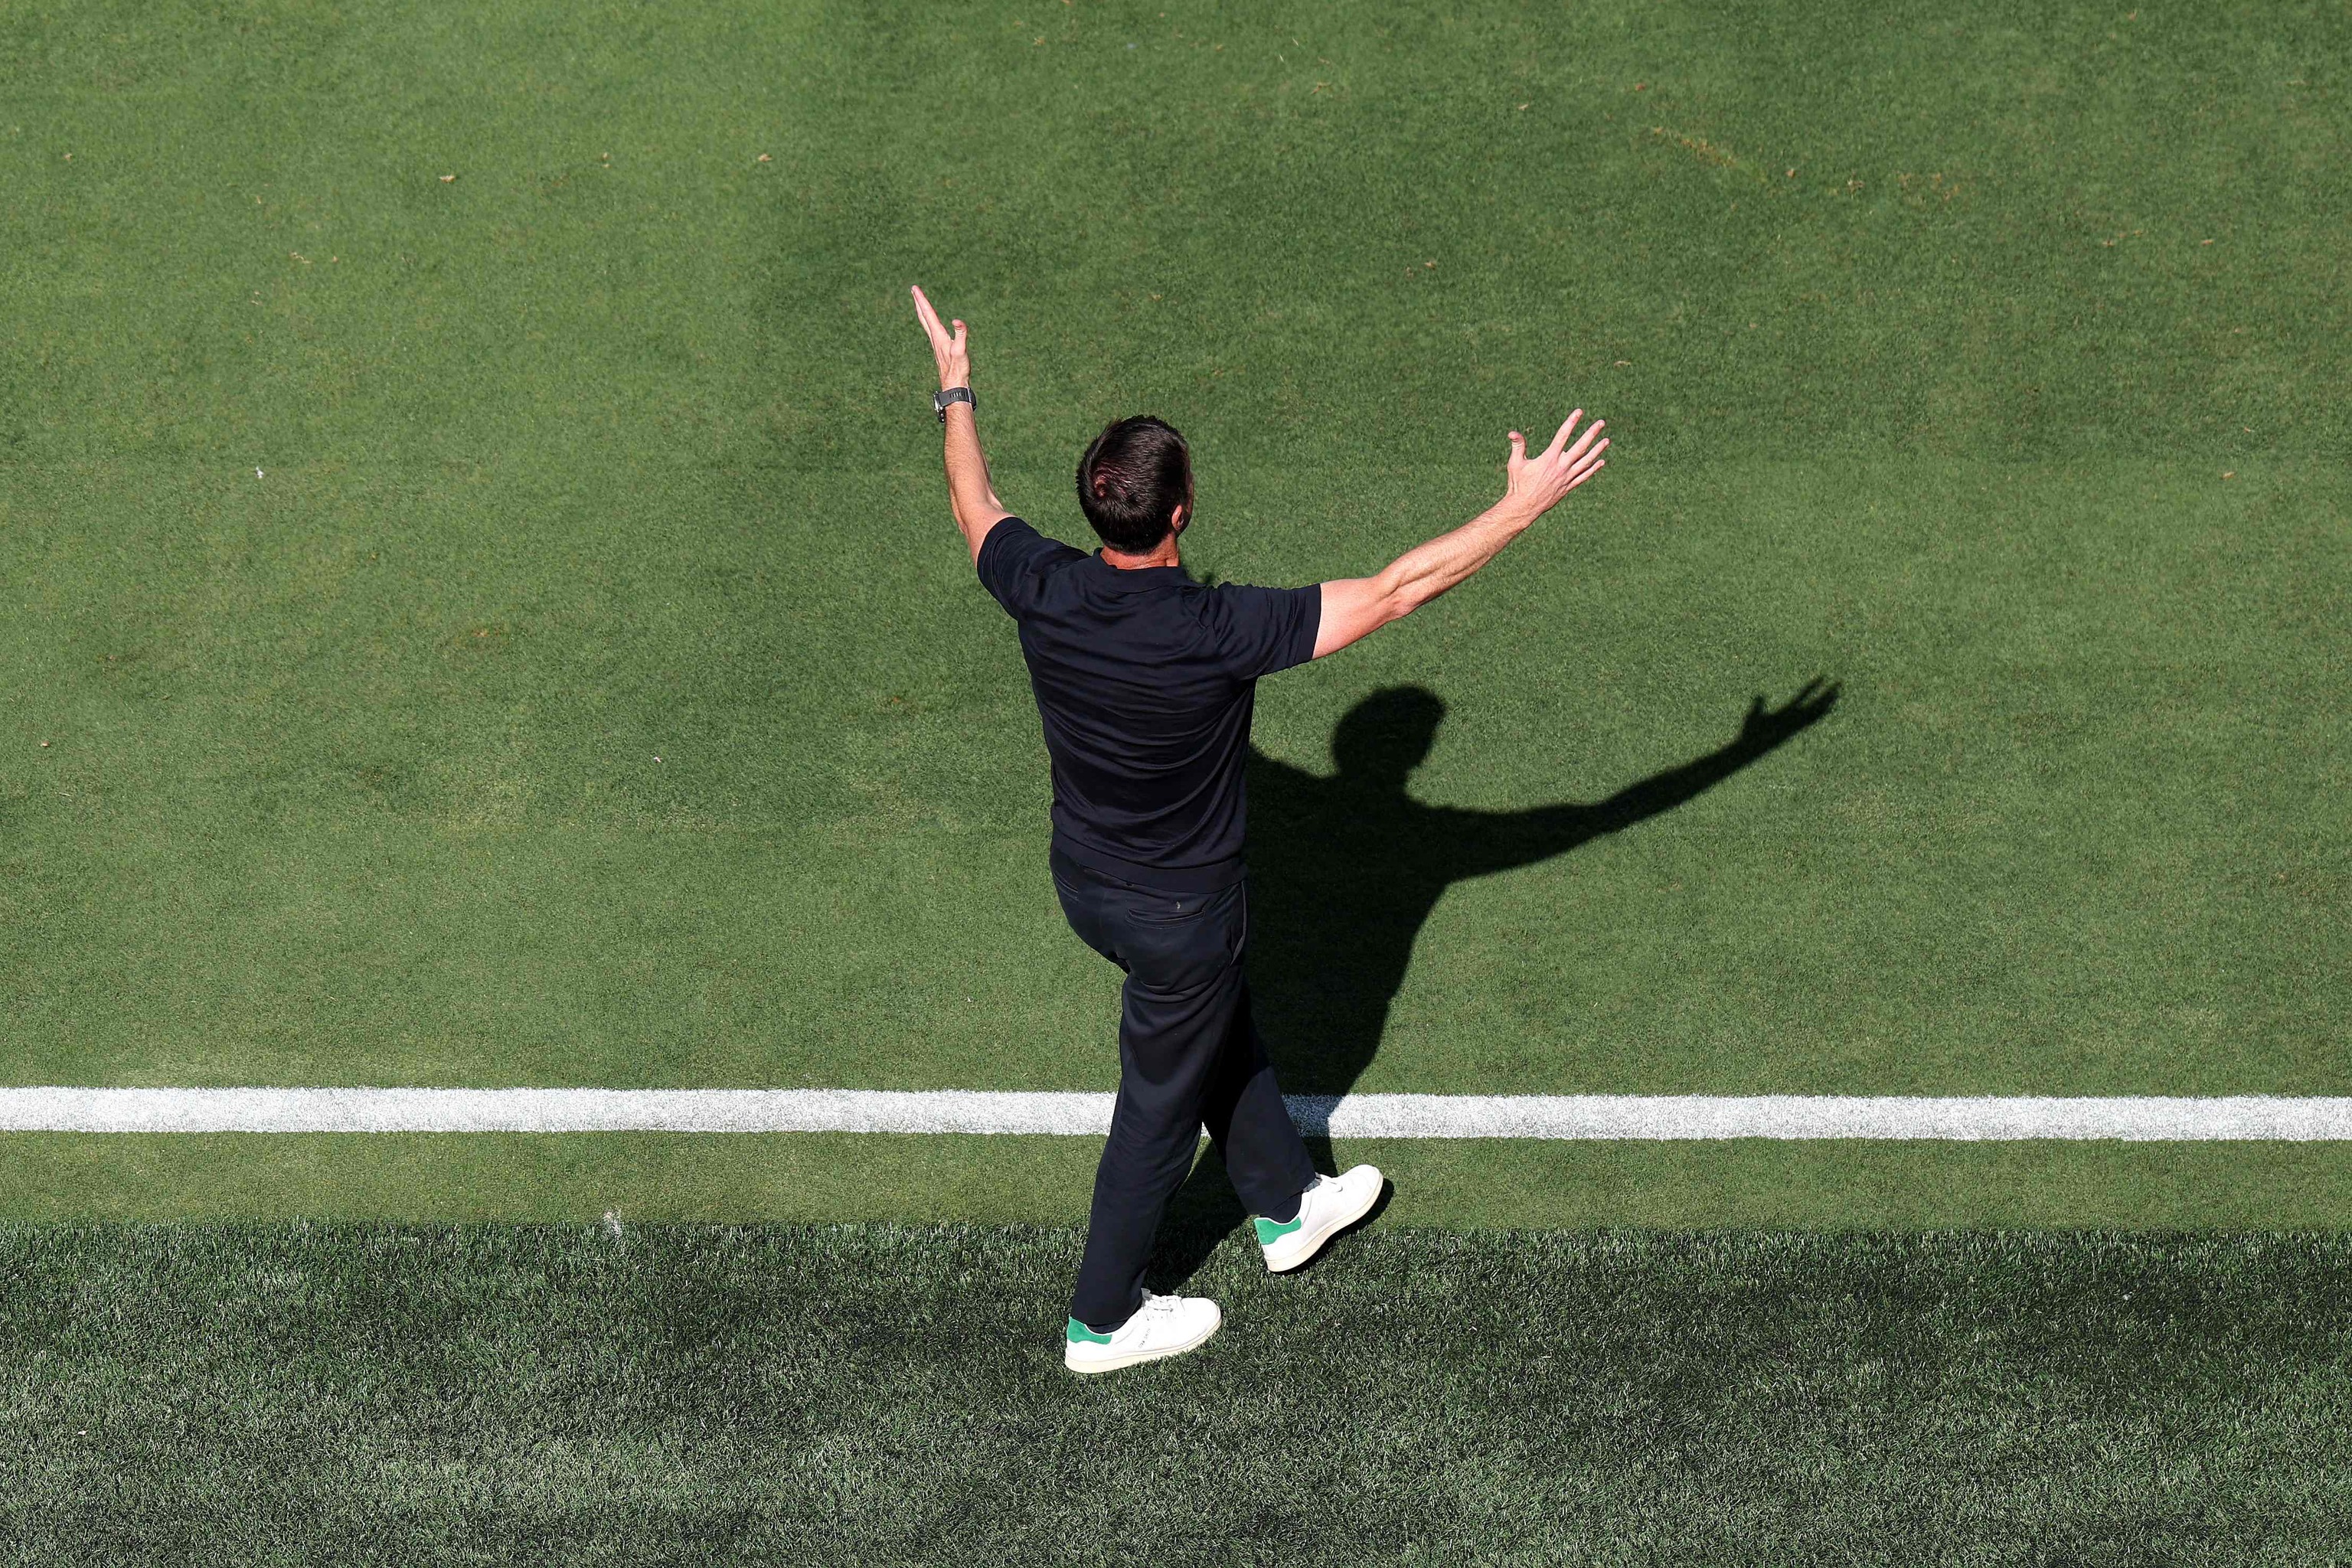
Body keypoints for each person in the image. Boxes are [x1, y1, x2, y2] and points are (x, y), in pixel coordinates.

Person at [910, 286, 1609, 1374]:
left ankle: (1287, 1204)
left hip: (1086, 884)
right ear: (1181, 511)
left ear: (1099, 511)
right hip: (1181, 912)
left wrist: (956, 391)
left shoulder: (1042, 585)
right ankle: (1103, 1319)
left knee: (1209, 1018)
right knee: (1156, 1109)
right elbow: (1398, 590)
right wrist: (1521, 507)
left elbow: (974, 503)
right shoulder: (1219, 627)